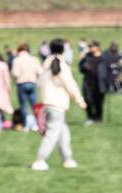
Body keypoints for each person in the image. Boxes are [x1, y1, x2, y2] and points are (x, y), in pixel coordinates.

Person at [31, 39, 85, 171]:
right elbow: (70, 84)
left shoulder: (46, 65)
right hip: (57, 106)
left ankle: (67, 158)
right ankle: (40, 159)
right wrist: (79, 100)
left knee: (63, 132)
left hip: (47, 104)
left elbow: (39, 83)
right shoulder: (62, 65)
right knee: (52, 134)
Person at [11, 42, 41, 130]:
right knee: (34, 106)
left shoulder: (17, 60)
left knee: (23, 106)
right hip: (32, 83)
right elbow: (40, 71)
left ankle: (25, 125)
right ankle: (37, 124)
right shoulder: (34, 59)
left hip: (22, 84)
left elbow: (15, 73)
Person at [79, 41, 106, 123]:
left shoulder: (103, 57)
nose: (90, 48)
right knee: (88, 101)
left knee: (99, 102)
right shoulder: (87, 57)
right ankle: (90, 117)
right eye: (90, 47)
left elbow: (107, 70)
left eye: (92, 47)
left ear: (97, 47)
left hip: (100, 84)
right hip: (88, 83)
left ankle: (98, 118)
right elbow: (81, 68)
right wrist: (84, 66)